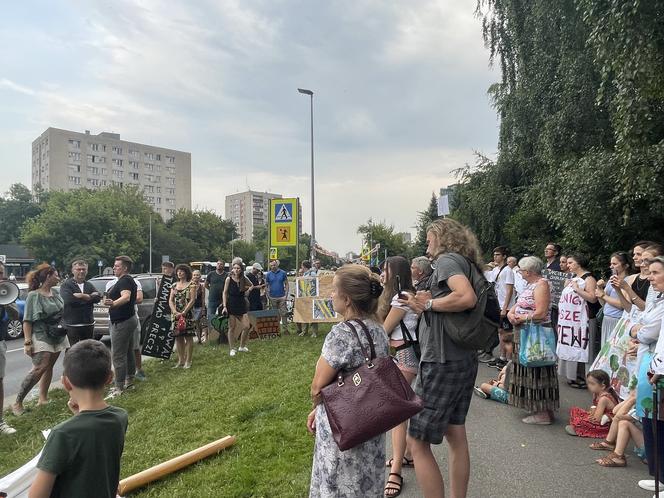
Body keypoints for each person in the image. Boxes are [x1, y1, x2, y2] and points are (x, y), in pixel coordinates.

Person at [400, 218, 481, 498]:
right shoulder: (465, 262)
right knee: (456, 435)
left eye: (429, 238)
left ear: (443, 238)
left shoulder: (447, 261)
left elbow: (466, 297)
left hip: (442, 360)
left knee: (417, 441)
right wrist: (423, 304)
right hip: (463, 357)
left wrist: (430, 303)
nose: (426, 243)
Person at [307, 264, 387, 498]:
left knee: (339, 483)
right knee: (366, 482)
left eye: (334, 290)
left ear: (348, 299)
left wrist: (317, 406)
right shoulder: (378, 329)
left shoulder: (341, 334)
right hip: (371, 419)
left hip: (342, 424)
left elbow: (317, 386)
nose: (331, 295)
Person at [28, 339, 128, 498]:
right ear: (110, 378)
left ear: (66, 383)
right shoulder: (120, 417)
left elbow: (36, 496)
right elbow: (95, 448)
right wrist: (78, 416)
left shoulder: (62, 434)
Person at [378, 256, 418, 497]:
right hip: (407, 354)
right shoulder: (407, 294)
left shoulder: (400, 297)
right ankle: (407, 454)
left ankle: (395, 472)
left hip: (404, 355)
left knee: (397, 414)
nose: (383, 274)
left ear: (395, 272)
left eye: (385, 270)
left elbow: (384, 328)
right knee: (402, 410)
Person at [507, 256, 559, 425]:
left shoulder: (541, 284)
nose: (520, 273)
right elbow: (520, 303)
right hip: (525, 332)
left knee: (536, 368)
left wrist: (520, 318)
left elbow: (541, 313)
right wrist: (511, 313)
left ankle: (542, 412)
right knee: (530, 367)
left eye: (521, 270)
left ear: (528, 271)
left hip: (534, 334)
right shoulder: (532, 284)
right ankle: (539, 407)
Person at [13, 264, 67, 416]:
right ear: (48, 276)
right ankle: (18, 402)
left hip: (57, 335)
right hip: (40, 334)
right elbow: (27, 320)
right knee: (39, 367)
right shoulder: (34, 295)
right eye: (56, 275)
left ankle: (42, 398)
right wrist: (27, 342)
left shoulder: (55, 293)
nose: (59, 278)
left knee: (49, 366)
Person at [631, 255, 664, 493]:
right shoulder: (658, 299)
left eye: (655, 272)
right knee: (652, 419)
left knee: (660, 422)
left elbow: (649, 331)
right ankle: (658, 475)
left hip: (658, 366)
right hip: (652, 363)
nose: (650, 277)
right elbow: (641, 324)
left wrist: (638, 331)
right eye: (649, 272)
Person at [558, 253, 599, 388]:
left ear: (579, 263)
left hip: (584, 319)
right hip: (570, 322)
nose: (567, 265)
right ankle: (572, 375)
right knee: (571, 346)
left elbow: (593, 298)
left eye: (570, 263)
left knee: (583, 347)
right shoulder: (573, 278)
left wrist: (576, 289)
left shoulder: (589, 278)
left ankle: (584, 377)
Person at [103, 256, 138, 399]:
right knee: (128, 351)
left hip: (122, 321)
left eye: (117, 266)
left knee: (118, 355)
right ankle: (129, 379)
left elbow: (126, 297)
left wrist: (113, 304)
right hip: (128, 319)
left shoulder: (124, 280)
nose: (114, 268)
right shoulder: (126, 280)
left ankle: (119, 387)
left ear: (125, 268)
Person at [591, 393, 646, 467]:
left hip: (653, 452)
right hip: (650, 446)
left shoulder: (646, 405)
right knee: (623, 422)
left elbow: (619, 416)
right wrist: (631, 397)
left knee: (623, 423)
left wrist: (633, 399)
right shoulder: (643, 403)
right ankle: (613, 448)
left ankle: (617, 456)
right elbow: (615, 411)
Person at [484, 246, 515, 369]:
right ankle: (502, 357)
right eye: (494, 255)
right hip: (498, 304)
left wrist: (505, 308)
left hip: (505, 306)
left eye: (497, 255)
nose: (495, 257)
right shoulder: (497, 270)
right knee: (501, 332)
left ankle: (509, 360)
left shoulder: (508, 271)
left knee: (507, 334)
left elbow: (509, 291)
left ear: (504, 256)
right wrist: (488, 265)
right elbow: (485, 274)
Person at [565, 370, 619, 438]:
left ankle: (580, 428)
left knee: (580, 421)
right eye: (588, 383)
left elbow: (597, 419)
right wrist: (591, 413)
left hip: (606, 424)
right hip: (599, 416)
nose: (589, 386)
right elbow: (595, 409)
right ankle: (578, 425)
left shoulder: (603, 399)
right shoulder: (596, 393)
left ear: (602, 386)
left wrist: (589, 417)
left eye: (592, 384)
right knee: (574, 410)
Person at [59, 260, 101, 345]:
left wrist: (83, 296)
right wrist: (90, 299)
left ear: (87, 271)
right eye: (78, 269)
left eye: (83, 269)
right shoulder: (66, 285)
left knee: (88, 350)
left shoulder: (89, 285)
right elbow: (70, 301)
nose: (81, 271)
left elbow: (98, 298)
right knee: (72, 351)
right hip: (72, 325)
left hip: (88, 324)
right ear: (72, 270)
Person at [595, 252, 632, 345]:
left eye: (615, 264)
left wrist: (603, 295)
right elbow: (603, 303)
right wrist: (599, 289)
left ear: (626, 265)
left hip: (617, 319)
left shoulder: (627, 280)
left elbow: (621, 305)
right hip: (607, 318)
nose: (611, 266)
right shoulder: (612, 279)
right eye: (611, 264)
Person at [222, 260, 253, 357]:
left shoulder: (244, 278)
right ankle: (232, 348)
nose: (236, 270)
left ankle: (242, 346)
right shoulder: (228, 279)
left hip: (242, 304)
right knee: (232, 327)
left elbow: (251, 285)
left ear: (241, 269)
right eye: (235, 268)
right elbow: (225, 292)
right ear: (232, 269)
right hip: (231, 304)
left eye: (238, 268)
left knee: (247, 326)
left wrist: (247, 292)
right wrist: (224, 306)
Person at [0, 262, 17, 434]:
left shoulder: (5, 291)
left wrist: (6, 301)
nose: (1, 277)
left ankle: (0, 422)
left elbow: (15, 315)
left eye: (2, 273)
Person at [169, 264, 196, 368]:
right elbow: (170, 300)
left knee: (188, 337)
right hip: (176, 315)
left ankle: (188, 361)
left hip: (187, 315)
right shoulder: (174, 285)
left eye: (181, 271)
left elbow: (192, 300)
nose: (179, 273)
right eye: (178, 271)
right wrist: (175, 312)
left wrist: (184, 311)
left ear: (186, 272)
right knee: (178, 337)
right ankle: (181, 360)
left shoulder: (191, 284)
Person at [266, 259, 289, 334]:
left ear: (277, 265)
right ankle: (276, 329)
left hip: (282, 296)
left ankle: (285, 329)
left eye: (274, 265)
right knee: (274, 314)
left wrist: (286, 295)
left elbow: (286, 284)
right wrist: (268, 295)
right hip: (272, 297)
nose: (273, 266)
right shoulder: (268, 274)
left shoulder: (283, 273)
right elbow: (266, 285)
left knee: (284, 313)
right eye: (271, 265)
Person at [297, 260, 319, 337]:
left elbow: (315, 283)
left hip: (311, 297)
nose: (301, 267)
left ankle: (314, 332)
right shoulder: (304, 274)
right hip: (305, 298)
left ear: (304, 266)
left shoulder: (312, 273)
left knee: (313, 315)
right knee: (305, 314)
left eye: (302, 265)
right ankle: (304, 331)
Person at [191, 269, 207, 343]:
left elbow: (203, 298)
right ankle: (199, 339)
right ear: (192, 276)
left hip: (200, 307)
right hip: (192, 307)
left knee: (202, 323)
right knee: (196, 323)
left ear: (200, 276)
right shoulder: (190, 285)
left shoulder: (202, 286)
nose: (196, 276)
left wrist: (203, 308)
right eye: (194, 275)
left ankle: (204, 337)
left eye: (197, 275)